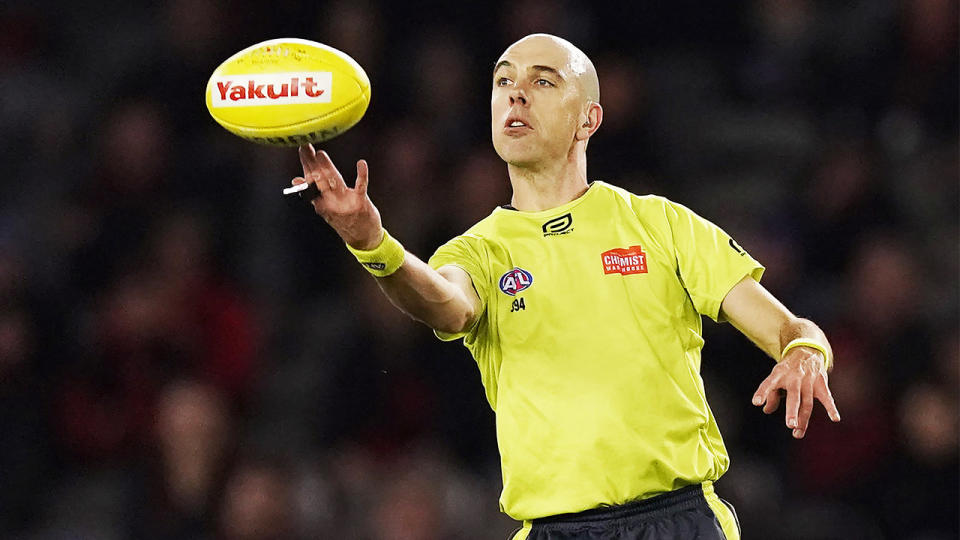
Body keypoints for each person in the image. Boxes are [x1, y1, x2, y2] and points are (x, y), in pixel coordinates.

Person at [290, 33, 841, 540]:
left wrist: (805, 352)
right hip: (554, 530)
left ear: (588, 119)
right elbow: (446, 306)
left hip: (677, 521)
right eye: (503, 81)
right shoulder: (477, 251)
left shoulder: (660, 223)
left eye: (543, 81)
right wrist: (372, 243)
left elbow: (790, 329)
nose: (516, 95)